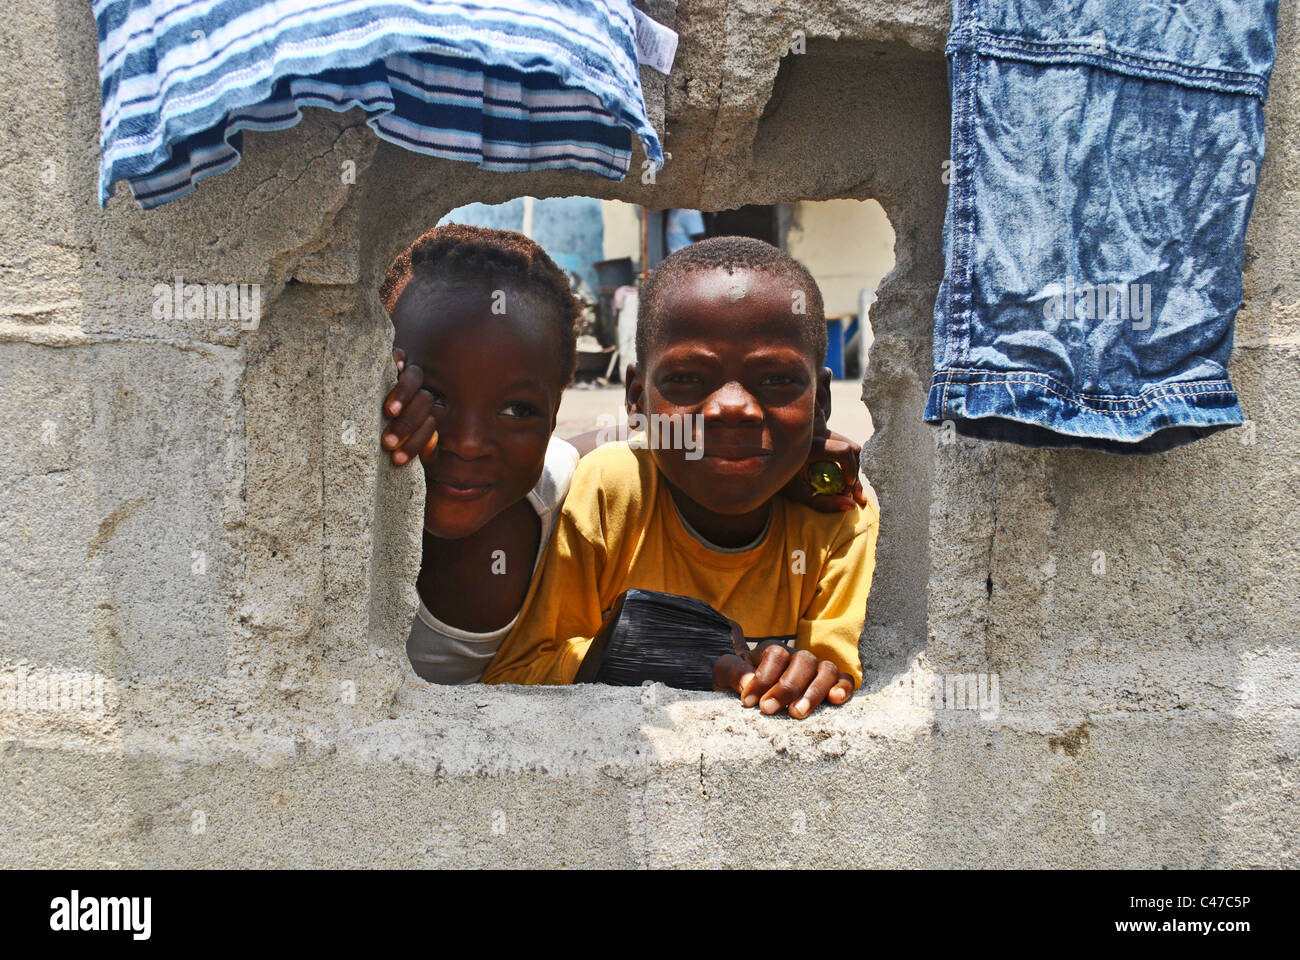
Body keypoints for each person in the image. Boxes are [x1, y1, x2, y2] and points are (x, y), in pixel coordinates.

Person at [481, 237, 880, 719]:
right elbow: (520, 675)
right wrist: (667, 654)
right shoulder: (612, 492)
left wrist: (807, 675)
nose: (732, 408)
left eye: (776, 381)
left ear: (820, 403)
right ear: (636, 400)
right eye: (687, 378)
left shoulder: (838, 514)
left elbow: (827, 672)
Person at [378, 224, 582, 684]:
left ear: (554, 415)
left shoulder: (573, 496)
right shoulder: (332, 510)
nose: (468, 444)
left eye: (517, 409)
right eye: (430, 394)